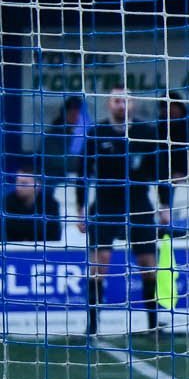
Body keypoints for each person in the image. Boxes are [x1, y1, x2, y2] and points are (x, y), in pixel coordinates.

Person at [75, 87, 169, 338]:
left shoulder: (147, 132)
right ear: (109, 104)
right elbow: (82, 171)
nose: (121, 105)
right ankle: (92, 326)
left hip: (138, 202)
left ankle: (153, 325)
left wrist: (164, 205)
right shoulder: (97, 133)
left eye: (126, 100)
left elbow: (161, 171)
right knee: (100, 262)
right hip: (105, 203)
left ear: (133, 104)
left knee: (149, 265)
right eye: (117, 100)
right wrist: (80, 207)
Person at [37, 95, 88, 188]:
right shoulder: (51, 137)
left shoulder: (84, 135)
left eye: (79, 112)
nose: (76, 116)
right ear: (65, 113)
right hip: (55, 184)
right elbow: (61, 161)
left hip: (77, 182)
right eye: (73, 113)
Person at [2, 171, 59, 244]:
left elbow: (53, 234)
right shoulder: (6, 202)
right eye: (17, 183)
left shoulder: (50, 203)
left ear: (37, 185)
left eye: (24, 183)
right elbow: (6, 232)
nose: (18, 187)